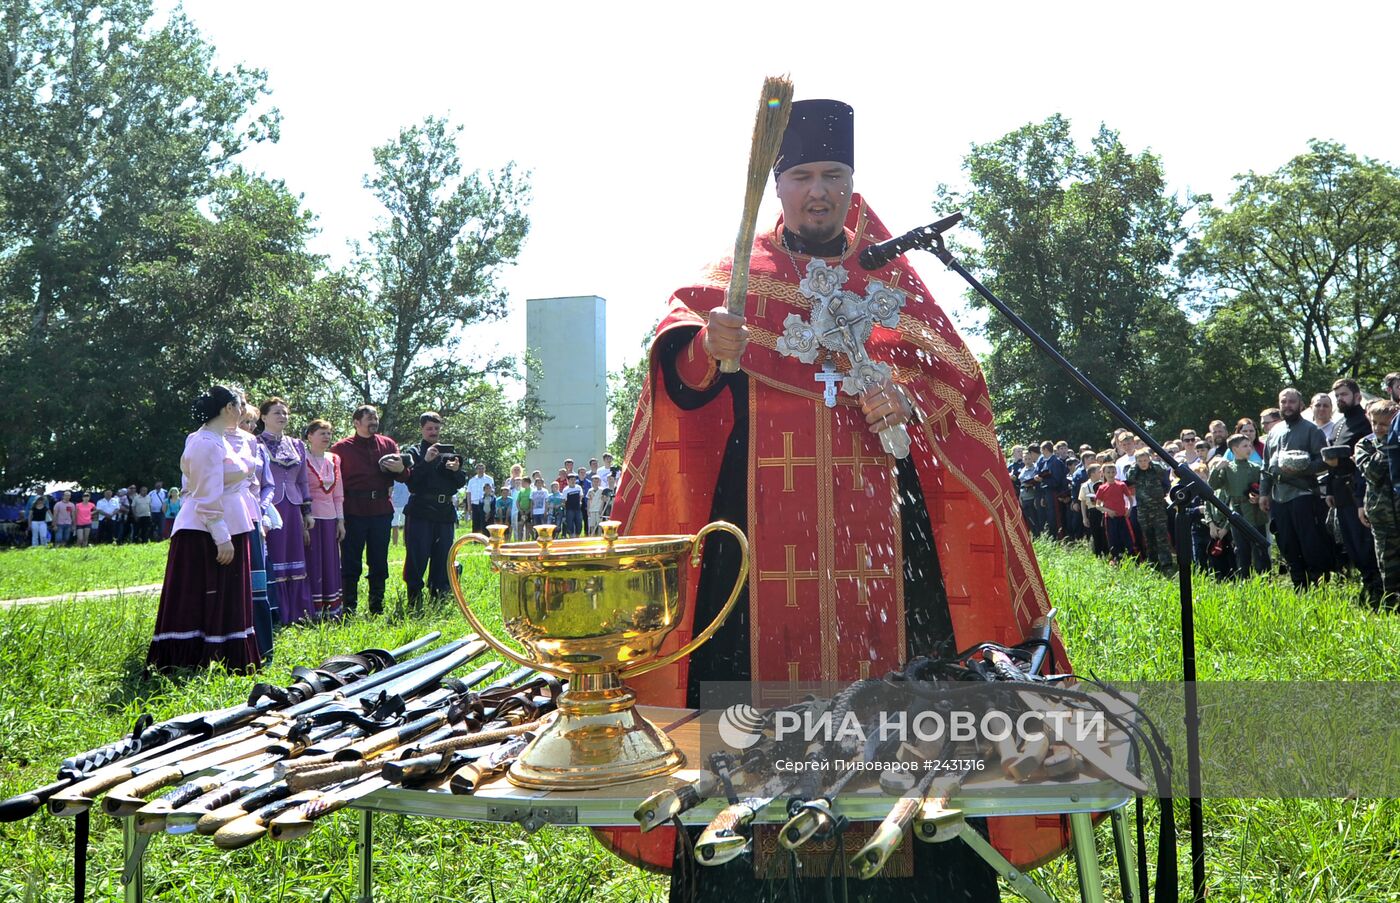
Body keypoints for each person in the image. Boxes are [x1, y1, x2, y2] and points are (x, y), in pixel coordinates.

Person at [602, 99, 1067, 897]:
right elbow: (679, 374)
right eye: (805, 176)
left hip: (888, 555)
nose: (820, 192)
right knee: (750, 731)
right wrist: (707, 354)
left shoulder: (893, 279)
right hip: (754, 561)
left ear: (853, 184)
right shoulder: (735, 280)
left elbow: (957, 391)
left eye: (835, 176)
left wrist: (907, 407)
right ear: (777, 186)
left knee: (909, 716)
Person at [147, 386, 259, 671]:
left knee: (226, 594)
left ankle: (225, 658)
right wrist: (221, 536)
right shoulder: (204, 442)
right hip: (204, 530)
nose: (244, 410)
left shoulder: (220, 440)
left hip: (228, 522)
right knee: (200, 594)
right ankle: (187, 659)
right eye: (239, 404)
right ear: (228, 408)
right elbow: (205, 494)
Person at [331, 405, 408, 615]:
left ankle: (377, 606)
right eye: (368, 418)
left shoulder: (388, 444)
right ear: (356, 422)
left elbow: (404, 476)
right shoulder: (340, 449)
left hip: (381, 511)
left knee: (379, 560)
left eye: (375, 417)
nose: (373, 421)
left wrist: (400, 469)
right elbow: (333, 482)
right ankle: (348, 608)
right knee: (350, 561)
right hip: (353, 512)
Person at [1261, 388, 1329, 588]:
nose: (1288, 405)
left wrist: (1300, 468)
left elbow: (1323, 462)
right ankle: (1298, 583)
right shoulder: (1274, 432)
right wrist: (1264, 493)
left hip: (1303, 495)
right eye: (1284, 402)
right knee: (1286, 542)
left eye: (1292, 402)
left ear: (1300, 405)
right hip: (1279, 497)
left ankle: (1317, 583)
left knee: (1309, 542)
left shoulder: (1311, 430)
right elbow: (1266, 466)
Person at [257, 398, 316, 624]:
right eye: (276, 412)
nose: (282, 416)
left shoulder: (297, 444)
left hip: (293, 506)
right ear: (263, 417)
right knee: (275, 555)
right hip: (270, 505)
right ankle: (278, 611)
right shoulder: (256, 443)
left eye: (285, 412)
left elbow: (303, 480)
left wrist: (307, 511)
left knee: (295, 554)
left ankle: (299, 611)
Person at [1324, 377, 1381, 601]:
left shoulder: (1366, 422)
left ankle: (1378, 590)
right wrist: (1329, 490)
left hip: (1358, 489)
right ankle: (1367, 587)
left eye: (1344, 395)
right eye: (1337, 396)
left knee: (1364, 542)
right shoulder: (1338, 424)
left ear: (1357, 396)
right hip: (1340, 492)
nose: (1340, 399)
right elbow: (1330, 458)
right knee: (1351, 543)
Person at [401, 412, 466, 608]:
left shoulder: (449, 452)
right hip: (421, 511)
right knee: (417, 556)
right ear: (422, 429)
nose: (433, 432)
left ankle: (439, 595)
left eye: (437, 429)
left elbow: (460, 482)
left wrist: (456, 471)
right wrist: (426, 462)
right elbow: (412, 483)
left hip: (444, 513)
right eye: (429, 428)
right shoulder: (413, 452)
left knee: (443, 556)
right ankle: (414, 597)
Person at [235, 403, 279, 658]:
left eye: (252, 423)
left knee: (257, 578)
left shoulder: (259, 448)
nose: (251, 428)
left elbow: (268, 485)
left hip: (255, 515)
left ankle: (262, 642)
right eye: (246, 422)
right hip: (233, 517)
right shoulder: (225, 445)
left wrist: (261, 510)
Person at [1209, 434, 1271, 578]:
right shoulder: (1227, 468)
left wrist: (1260, 497)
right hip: (1236, 512)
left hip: (1254, 512)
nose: (1249, 448)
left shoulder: (1256, 468)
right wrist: (1217, 468)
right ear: (1234, 449)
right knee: (1241, 549)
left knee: (1259, 547)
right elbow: (1213, 485)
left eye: (1250, 445)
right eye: (1245, 446)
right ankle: (1245, 579)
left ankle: (1265, 579)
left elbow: (1264, 488)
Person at [1357, 399, 1398, 609]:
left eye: (1385, 424)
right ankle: (1391, 609)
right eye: (1375, 423)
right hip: (1383, 518)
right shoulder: (1365, 444)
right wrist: (1387, 446)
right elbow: (1372, 474)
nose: (1379, 428)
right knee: (1388, 568)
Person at [304, 419, 346, 618]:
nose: (327, 437)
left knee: (330, 561)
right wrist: (304, 515)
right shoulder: (301, 458)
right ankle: (314, 609)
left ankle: (332, 609)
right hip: (311, 518)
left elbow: (338, 494)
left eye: (329, 433)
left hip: (330, 518)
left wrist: (340, 521)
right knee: (314, 561)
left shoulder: (334, 459)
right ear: (310, 436)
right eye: (322, 433)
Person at [1123, 448, 1173, 572]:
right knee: (1148, 537)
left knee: (1161, 537)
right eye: (1140, 461)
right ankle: (1153, 563)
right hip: (1143, 510)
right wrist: (1135, 466)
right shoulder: (1136, 472)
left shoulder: (1155, 469)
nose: (1143, 463)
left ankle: (1167, 564)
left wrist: (1152, 462)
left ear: (1149, 459)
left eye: (1145, 460)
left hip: (1158, 509)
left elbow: (1162, 471)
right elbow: (1129, 478)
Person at [466, 462, 495, 534]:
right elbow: (468, 493)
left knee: (486, 522)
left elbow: (492, 492)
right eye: (479, 469)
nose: (480, 470)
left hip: (485, 503)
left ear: (485, 469)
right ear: (476, 470)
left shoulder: (489, 479)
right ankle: (476, 540)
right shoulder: (472, 480)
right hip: (475, 504)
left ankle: (486, 538)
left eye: (482, 468)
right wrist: (469, 506)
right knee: (476, 522)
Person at [559, 473, 584, 537]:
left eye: (574, 479)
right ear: (568, 481)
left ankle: (578, 536)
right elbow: (563, 500)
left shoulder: (578, 487)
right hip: (569, 509)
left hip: (578, 509)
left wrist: (580, 501)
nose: (573, 481)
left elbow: (581, 495)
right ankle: (571, 537)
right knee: (570, 524)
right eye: (571, 480)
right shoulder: (566, 490)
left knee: (579, 523)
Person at [390, 479, 409, 546]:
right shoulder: (394, 479)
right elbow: (390, 490)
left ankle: (405, 543)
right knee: (395, 526)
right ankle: (395, 544)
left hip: (405, 504)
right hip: (395, 505)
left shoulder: (407, 477)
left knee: (405, 526)